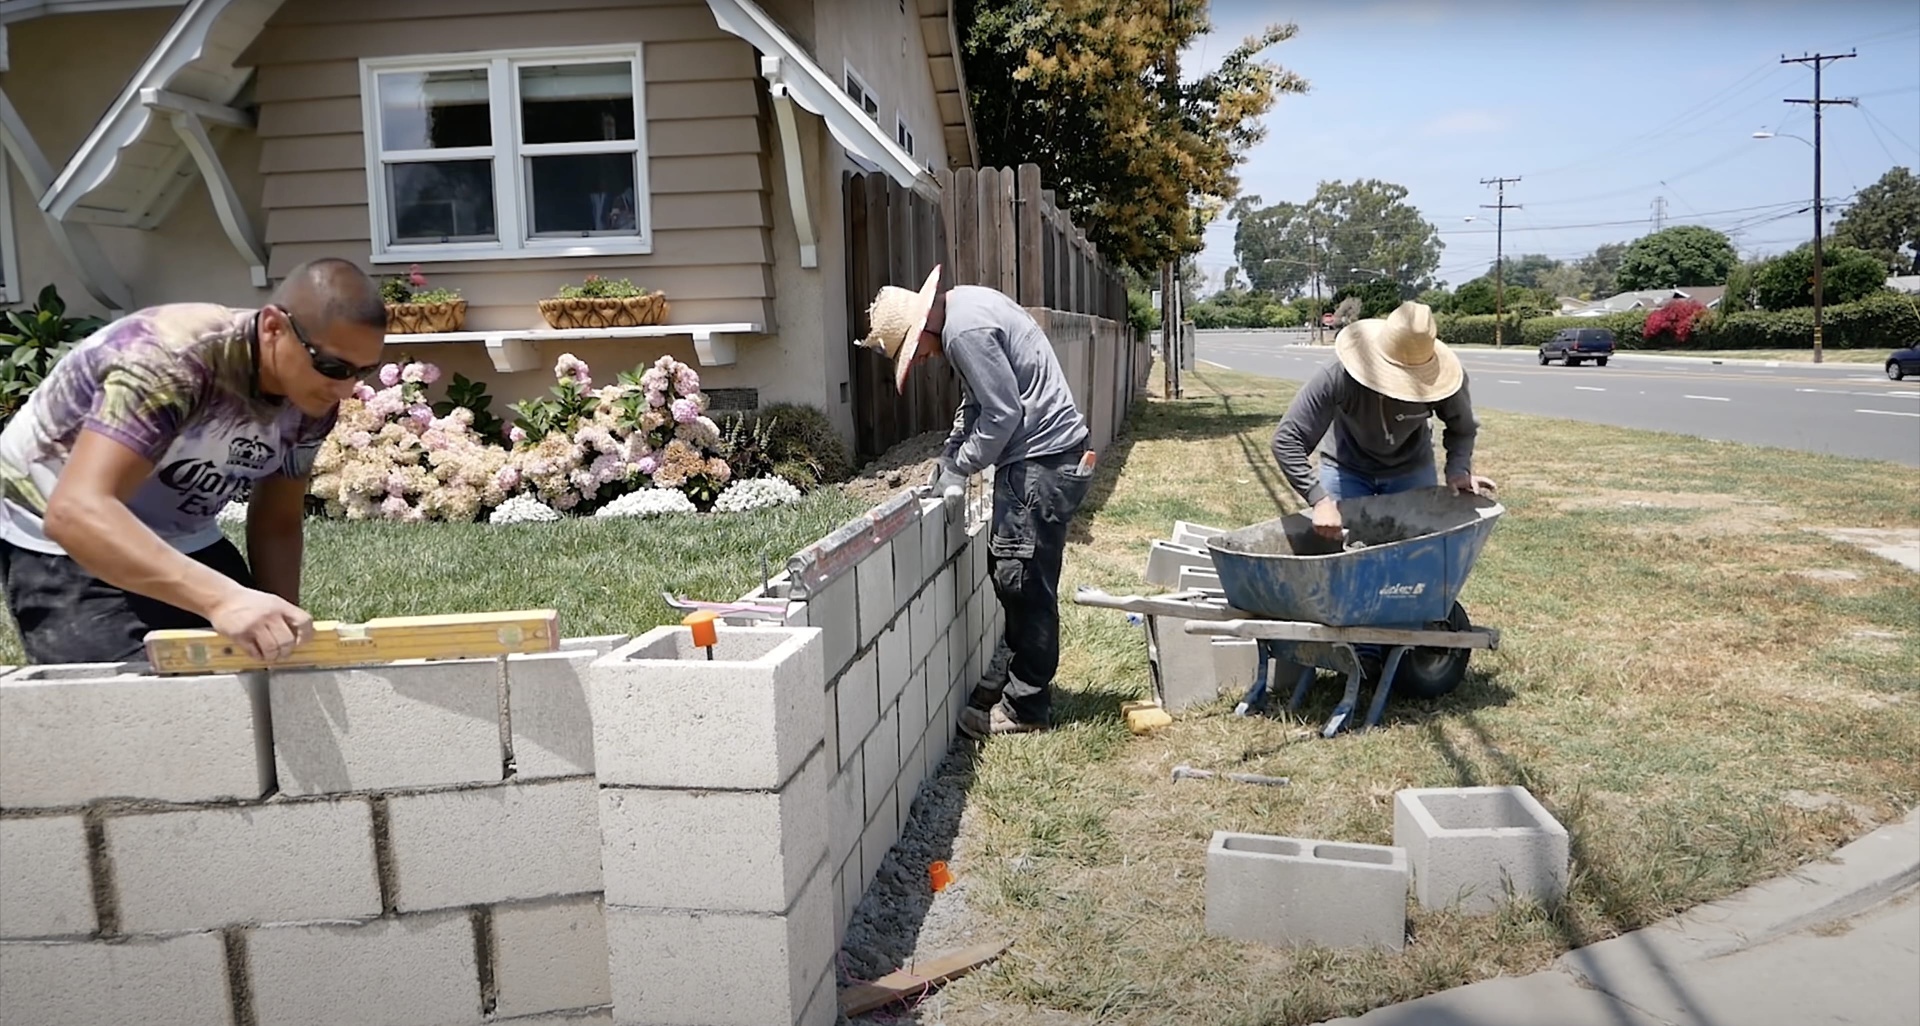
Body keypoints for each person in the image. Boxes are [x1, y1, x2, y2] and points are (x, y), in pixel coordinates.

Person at [0, 258, 388, 665]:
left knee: (247, 671)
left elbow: (277, 522)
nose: (346, 389)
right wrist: (223, 600)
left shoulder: (313, 399)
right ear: (274, 327)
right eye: (333, 367)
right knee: (127, 705)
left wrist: (282, 638)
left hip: (181, 530)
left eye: (363, 371)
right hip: (60, 528)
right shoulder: (169, 362)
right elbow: (74, 512)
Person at [858, 266, 1094, 738]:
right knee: (1010, 571)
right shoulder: (964, 308)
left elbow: (1004, 412)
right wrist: (950, 453)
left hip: (1042, 463)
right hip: (1040, 459)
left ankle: (1026, 706)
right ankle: (1015, 676)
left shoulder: (964, 332)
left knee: (1023, 580)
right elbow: (977, 402)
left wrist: (961, 466)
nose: (921, 360)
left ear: (922, 326)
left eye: (914, 351)